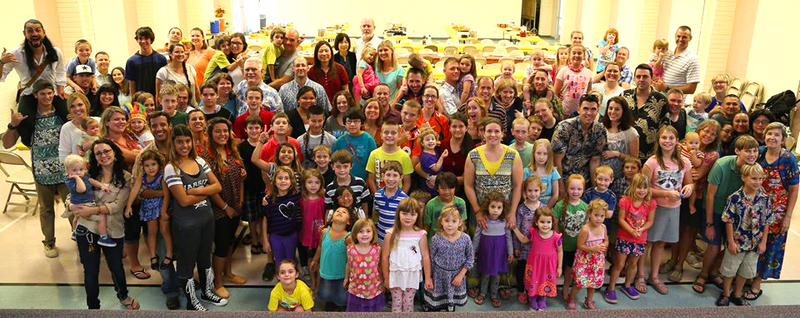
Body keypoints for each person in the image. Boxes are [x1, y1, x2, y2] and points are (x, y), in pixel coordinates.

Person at [2, 80, 69, 257]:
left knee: (72, 207)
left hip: (66, 169)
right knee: (46, 209)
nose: (47, 97)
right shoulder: (28, 118)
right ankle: (49, 243)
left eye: (50, 93)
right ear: (35, 95)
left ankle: (80, 239)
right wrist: (12, 125)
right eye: (42, 94)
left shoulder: (62, 113)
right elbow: (7, 144)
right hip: (42, 170)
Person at [68, 139, 138, 309]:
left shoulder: (125, 177)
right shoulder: (86, 174)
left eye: (106, 151)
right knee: (91, 270)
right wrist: (70, 206)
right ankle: (93, 306)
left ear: (114, 153)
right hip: (87, 229)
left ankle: (123, 296)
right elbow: (70, 196)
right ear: (94, 157)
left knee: (116, 266)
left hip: (113, 229)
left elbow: (117, 206)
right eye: (98, 153)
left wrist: (91, 211)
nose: (103, 155)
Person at [164, 124, 226, 311]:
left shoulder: (199, 160)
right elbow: (182, 200)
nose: (184, 145)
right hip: (187, 225)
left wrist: (198, 190)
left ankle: (207, 292)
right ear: (173, 144)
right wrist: (207, 192)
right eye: (180, 142)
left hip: (206, 220)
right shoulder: (171, 168)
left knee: (205, 258)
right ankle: (192, 301)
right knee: (187, 262)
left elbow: (218, 187)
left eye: (187, 141)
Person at [639, 126, 694, 295]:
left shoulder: (684, 162)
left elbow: (689, 182)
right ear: (659, 140)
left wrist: (689, 188)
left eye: (671, 138)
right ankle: (640, 275)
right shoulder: (652, 162)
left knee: (660, 242)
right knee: (646, 242)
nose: (667, 141)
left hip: (673, 208)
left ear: (677, 141)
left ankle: (654, 276)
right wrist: (665, 193)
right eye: (664, 138)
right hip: (653, 208)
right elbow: (642, 188)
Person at [748, 123, 799, 300]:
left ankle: (757, 283)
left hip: (777, 212)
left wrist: (788, 216)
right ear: (764, 135)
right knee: (752, 243)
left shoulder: (788, 159)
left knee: (769, 247)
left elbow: (794, 189)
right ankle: (746, 276)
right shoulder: (758, 152)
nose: (772, 137)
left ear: (783, 139)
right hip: (754, 208)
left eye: (777, 135)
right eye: (769, 133)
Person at [200, 118, 246, 299]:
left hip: (235, 205)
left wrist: (240, 202)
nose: (222, 134)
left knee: (229, 242)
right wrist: (225, 207)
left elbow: (241, 176)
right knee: (221, 245)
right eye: (218, 131)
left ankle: (228, 273)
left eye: (225, 131)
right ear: (210, 134)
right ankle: (217, 282)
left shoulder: (233, 151)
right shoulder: (206, 156)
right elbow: (210, 188)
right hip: (219, 207)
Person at [716, 164, 774, 307]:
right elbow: (728, 220)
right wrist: (731, 242)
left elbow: (767, 221)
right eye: (754, 178)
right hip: (737, 242)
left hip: (755, 244)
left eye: (760, 179)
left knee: (745, 271)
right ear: (744, 178)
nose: (758, 182)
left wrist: (763, 242)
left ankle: (737, 294)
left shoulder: (765, 198)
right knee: (730, 270)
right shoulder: (735, 198)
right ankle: (726, 293)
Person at [603, 173, 656, 304]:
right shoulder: (625, 201)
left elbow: (650, 221)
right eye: (639, 187)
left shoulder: (650, 203)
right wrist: (632, 230)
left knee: (633, 264)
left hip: (640, 239)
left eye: (645, 187)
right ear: (633, 187)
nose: (642, 191)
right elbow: (621, 219)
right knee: (620, 264)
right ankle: (610, 288)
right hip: (624, 237)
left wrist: (641, 230)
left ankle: (627, 285)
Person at [464, 118, 524, 229]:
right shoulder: (473, 155)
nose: (493, 134)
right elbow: (468, 185)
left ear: (502, 134)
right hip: (481, 214)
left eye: (496, 131)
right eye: (489, 131)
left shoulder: (513, 155)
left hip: (504, 214)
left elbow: (517, 186)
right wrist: (477, 211)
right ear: (483, 134)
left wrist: (512, 212)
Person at [1, 19, 67, 111]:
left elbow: (60, 72)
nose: (34, 34)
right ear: (24, 33)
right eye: (30, 31)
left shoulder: (55, 52)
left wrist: (60, 90)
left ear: (44, 32)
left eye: (38, 30)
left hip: (52, 94)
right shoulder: (15, 54)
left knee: (68, 116)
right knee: (25, 122)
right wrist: (1, 62)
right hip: (29, 94)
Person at [124, 149, 172, 272]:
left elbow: (166, 194)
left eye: (153, 165)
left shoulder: (162, 176)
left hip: (162, 205)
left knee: (164, 228)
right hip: (149, 205)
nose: (150, 168)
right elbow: (135, 189)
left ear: (158, 165)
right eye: (147, 165)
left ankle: (169, 253)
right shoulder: (143, 175)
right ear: (143, 167)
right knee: (151, 231)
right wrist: (129, 205)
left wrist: (164, 210)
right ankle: (153, 256)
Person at [381, 198, 432, 312]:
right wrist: (386, 277)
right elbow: (384, 257)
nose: (408, 217)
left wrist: (428, 278)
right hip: (395, 275)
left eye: (412, 214)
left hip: (412, 275)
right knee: (396, 302)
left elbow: (426, 256)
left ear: (418, 215)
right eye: (404, 213)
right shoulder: (390, 234)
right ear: (398, 214)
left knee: (409, 303)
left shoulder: (421, 234)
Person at [552, 94, 607, 192]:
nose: (589, 113)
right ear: (578, 109)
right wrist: (560, 189)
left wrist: (595, 190)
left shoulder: (600, 130)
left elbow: (595, 161)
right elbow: (556, 161)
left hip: (584, 180)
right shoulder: (564, 128)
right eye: (585, 108)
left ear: (598, 111)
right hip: (563, 178)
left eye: (593, 109)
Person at [423, 208, 474, 312]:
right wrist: (429, 277)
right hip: (439, 277)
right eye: (446, 221)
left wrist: (460, 275)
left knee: (451, 304)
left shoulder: (466, 238)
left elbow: (470, 258)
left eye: (454, 221)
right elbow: (431, 259)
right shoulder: (436, 239)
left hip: (456, 277)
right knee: (436, 305)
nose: (450, 224)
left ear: (460, 222)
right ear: (441, 222)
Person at [513, 208, 563, 311]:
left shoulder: (556, 237)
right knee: (533, 280)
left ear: (552, 222)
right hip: (535, 264)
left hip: (548, 266)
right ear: (536, 222)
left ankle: (542, 299)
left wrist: (559, 267)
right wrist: (514, 228)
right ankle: (532, 299)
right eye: (542, 222)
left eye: (548, 222)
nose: (545, 225)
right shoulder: (533, 233)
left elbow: (560, 251)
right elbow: (523, 239)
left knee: (545, 281)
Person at [566, 200, 608, 311]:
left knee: (592, 283)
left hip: (597, 260)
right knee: (580, 283)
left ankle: (589, 300)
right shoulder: (585, 229)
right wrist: (592, 248)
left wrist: (604, 245)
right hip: (585, 260)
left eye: (602, 216)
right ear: (589, 214)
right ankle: (572, 298)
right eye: (596, 215)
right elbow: (580, 245)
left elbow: (606, 240)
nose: (599, 218)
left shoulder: (603, 227)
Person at [64, 154, 114, 247]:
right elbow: (82, 189)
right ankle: (103, 237)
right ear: (67, 171)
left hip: (88, 201)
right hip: (82, 203)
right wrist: (77, 178)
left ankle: (75, 232)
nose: (78, 172)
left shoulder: (85, 176)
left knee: (77, 218)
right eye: (74, 170)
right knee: (101, 217)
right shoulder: (70, 181)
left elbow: (91, 181)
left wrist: (101, 185)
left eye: (81, 169)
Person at [553, 174, 588, 302]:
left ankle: (566, 288)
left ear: (583, 190)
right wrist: (557, 239)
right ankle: (553, 287)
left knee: (570, 270)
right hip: (562, 245)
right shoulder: (559, 205)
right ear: (567, 189)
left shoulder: (585, 206)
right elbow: (555, 223)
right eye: (572, 188)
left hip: (577, 246)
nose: (575, 192)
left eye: (579, 189)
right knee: (557, 268)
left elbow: (587, 227)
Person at [622, 64, 667, 162]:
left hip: (650, 156)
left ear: (651, 79)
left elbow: (664, 129)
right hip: (625, 153)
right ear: (634, 78)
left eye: (645, 76)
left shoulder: (661, 100)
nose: (641, 79)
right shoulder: (624, 96)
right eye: (638, 76)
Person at [310, 207, 352, 310]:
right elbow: (320, 247)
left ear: (348, 222)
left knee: (342, 297)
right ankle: (330, 304)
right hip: (326, 272)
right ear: (332, 218)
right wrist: (315, 260)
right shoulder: (324, 232)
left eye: (344, 212)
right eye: (337, 211)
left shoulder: (348, 237)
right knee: (326, 293)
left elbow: (350, 258)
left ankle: (341, 307)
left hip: (341, 274)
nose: (340, 212)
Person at [511, 176, 543, 305]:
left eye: (536, 190)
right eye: (529, 191)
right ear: (525, 192)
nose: (533, 194)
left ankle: (534, 291)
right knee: (522, 269)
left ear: (541, 191)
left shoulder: (543, 208)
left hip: (538, 248)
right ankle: (521, 290)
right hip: (523, 247)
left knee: (535, 271)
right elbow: (516, 227)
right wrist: (516, 247)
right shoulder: (521, 209)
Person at [601, 96, 639, 198]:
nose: (613, 111)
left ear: (623, 111)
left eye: (617, 109)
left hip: (620, 181)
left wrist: (617, 154)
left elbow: (634, 159)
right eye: (610, 108)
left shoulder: (631, 132)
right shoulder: (600, 128)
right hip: (602, 179)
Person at [345, 218, 385, 312]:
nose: (364, 234)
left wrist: (383, 280)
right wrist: (346, 278)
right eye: (361, 231)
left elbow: (379, 266)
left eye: (368, 231)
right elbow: (348, 264)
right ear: (355, 234)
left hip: (373, 288)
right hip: (356, 288)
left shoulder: (377, 249)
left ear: (373, 234)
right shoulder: (350, 249)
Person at [366, 122, 413, 195]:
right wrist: (377, 196)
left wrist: (400, 198)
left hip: (398, 201)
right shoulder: (374, 154)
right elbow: (371, 179)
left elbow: (407, 183)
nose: (389, 135)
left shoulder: (404, 156)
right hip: (379, 200)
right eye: (386, 132)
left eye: (393, 133)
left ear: (399, 135)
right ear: (381, 135)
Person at [651, 26, 700, 94]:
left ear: (690, 38)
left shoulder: (692, 59)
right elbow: (655, 67)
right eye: (678, 36)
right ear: (675, 36)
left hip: (673, 101)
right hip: (657, 97)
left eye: (684, 37)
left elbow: (691, 89)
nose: (680, 39)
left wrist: (666, 88)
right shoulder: (667, 53)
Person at [332, 109, 377, 180]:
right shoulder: (339, 141)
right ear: (345, 123)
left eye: (356, 121)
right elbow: (334, 162)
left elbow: (373, 163)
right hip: (344, 180)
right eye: (349, 121)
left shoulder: (368, 139)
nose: (352, 124)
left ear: (361, 123)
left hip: (364, 181)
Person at [125, 26, 167, 96]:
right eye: (140, 39)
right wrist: (134, 102)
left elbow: (165, 82)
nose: (143, 41)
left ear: (151, 40)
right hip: (140, 101)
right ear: (137, 40)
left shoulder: (161, 59)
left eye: (146, 38)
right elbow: (132, 85)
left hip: (158, 99)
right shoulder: (131, 61)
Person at [555, 45, 593, 117]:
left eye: (579, 53)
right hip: (565, 111)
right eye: (574, 53)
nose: (576, 55)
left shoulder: (588, 73)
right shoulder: (563, 71)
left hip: (581, 113)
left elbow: (589, 94)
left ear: (584, 55)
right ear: (569, 55)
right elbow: (555, 92)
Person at [59, 93, 93, 161]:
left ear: (86, 105)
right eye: (72, 106)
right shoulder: (66, 128)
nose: (77, 109)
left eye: (80, 105)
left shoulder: (99, 121)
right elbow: (63, 158)